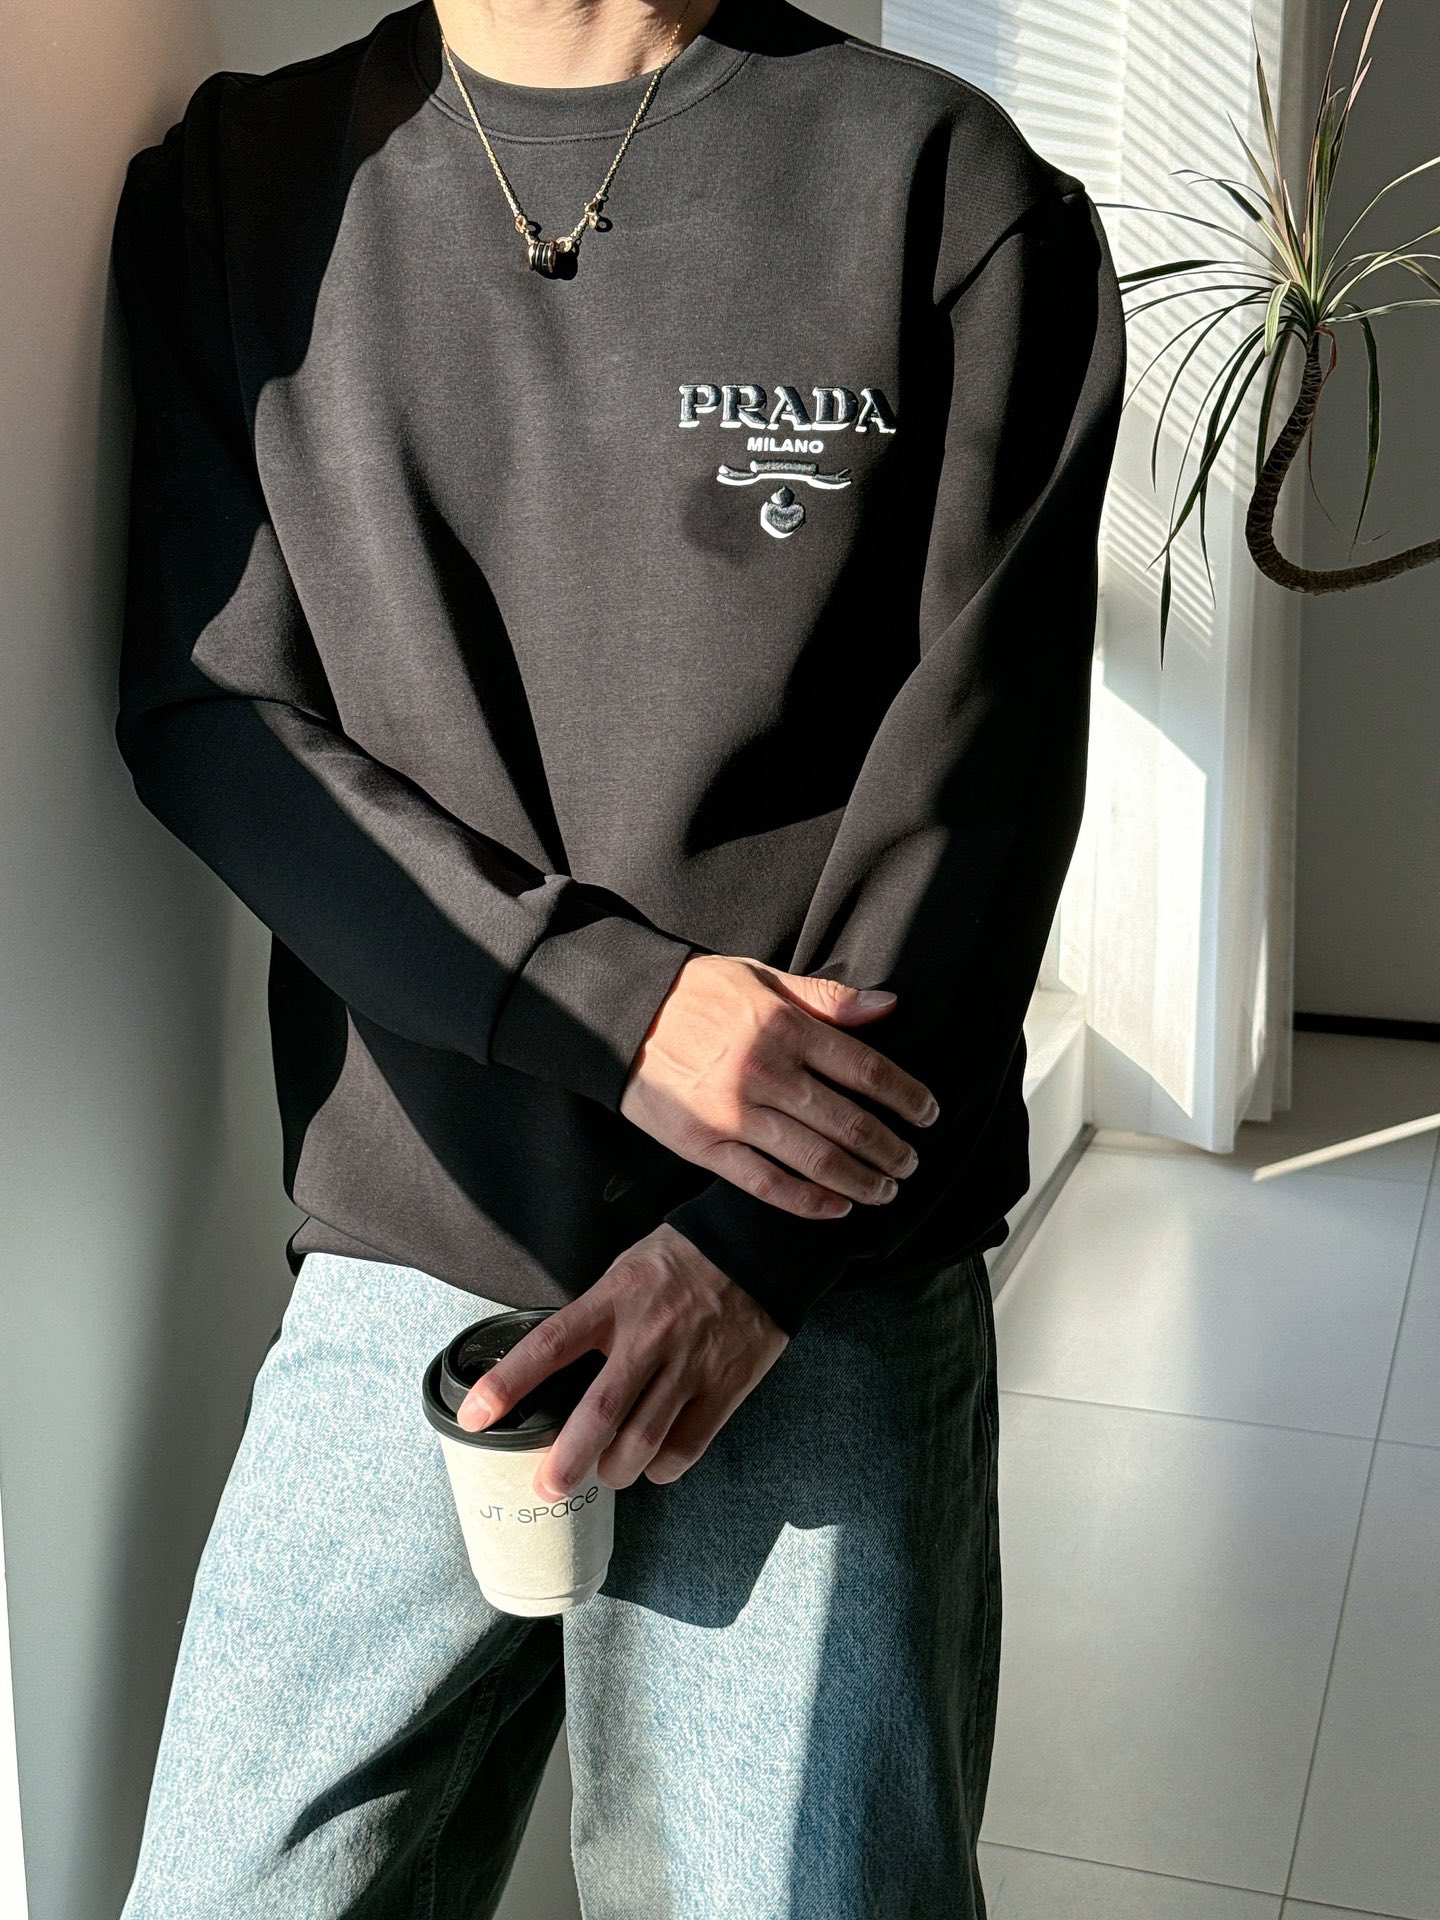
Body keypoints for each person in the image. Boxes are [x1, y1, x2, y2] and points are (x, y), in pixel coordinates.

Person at [109, 0, 1126, 1913]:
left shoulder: (947, 190)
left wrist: (752, 1254)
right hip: (411, 1254)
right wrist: (620, 1010)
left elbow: (979, 801)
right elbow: (209, 709)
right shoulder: (244, 188)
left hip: (808, 1275)